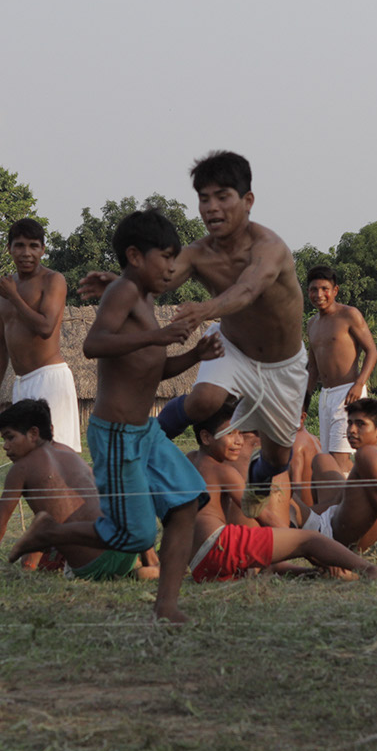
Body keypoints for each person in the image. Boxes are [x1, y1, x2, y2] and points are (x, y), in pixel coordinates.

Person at [11, 209, 223, 623]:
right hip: (116, 435)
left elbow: (153, 370)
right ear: (136, 256)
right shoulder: (124, 292)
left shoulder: (144, 299)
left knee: (187, 502)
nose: (172, 268)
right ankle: (49, 533)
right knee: (136, 535)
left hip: (145, 431)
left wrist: (192, 356)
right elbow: (94, 345)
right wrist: (158, 334)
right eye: (165, 258)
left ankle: (167, 605)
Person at [82, 151, 306, 511]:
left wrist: (205, 309)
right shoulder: (198, 253)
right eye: (204, 198)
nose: (212, 207)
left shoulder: (270, 248)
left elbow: (248, 289)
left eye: (222, 197)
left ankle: (260, 476)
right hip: (231, 346)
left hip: (283, 365)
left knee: (279, 456)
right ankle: (141, 443)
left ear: (247, 201)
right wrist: (119, 282)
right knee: (204, 400)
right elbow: (157, 278)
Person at [186, 404, 377, 582]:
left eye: (240, 433)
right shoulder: (223, 471)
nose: (238, 441)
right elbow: (262, 515)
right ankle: (371, 570)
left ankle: (308, 573)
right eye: (230, 434)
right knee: (311, 539)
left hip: (198, 563)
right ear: (206, 437)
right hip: (218, 546)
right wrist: (310, 550)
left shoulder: (191, 461)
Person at [0, 399, 157, 583]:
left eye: (10, 437)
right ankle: (146, 567)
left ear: (33, 433)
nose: (5, 446)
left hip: (93, 566)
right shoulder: (69, 453)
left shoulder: (21, 469)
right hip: (125, 545)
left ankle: (138, 572)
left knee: (58, 544)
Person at [0, 218, 82, 451]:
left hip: (49, 378)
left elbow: (45, 327)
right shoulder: (5, 289)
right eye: (19, 245)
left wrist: (15, 297)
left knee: (57, 453)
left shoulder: (53, 280)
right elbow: (1, 342)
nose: (26, 252)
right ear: (9, 249)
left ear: (43, 249)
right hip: (21, 383)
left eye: (33, 246)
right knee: (26, 453)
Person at [301, 399, 377, 552]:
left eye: (361, 424)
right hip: (334, 518)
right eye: (350, 423)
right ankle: (302, 519)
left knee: (284, 498)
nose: (352, 430)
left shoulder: (366, 454)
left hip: (328, 533)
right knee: (323, 459)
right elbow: (340, 500)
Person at [303, 265, 377, 476]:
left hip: (349, 393)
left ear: (335, 290)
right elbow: (313, 367)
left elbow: (372, 351)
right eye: (313, 289)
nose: (319, 294)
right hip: (326, 397)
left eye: (324, 288)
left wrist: (359, 383)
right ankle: (340, 505)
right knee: (327, 459)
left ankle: (362, 499)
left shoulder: (349, 315)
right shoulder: (312, 324)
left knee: (340, 460)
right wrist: (304, 402)